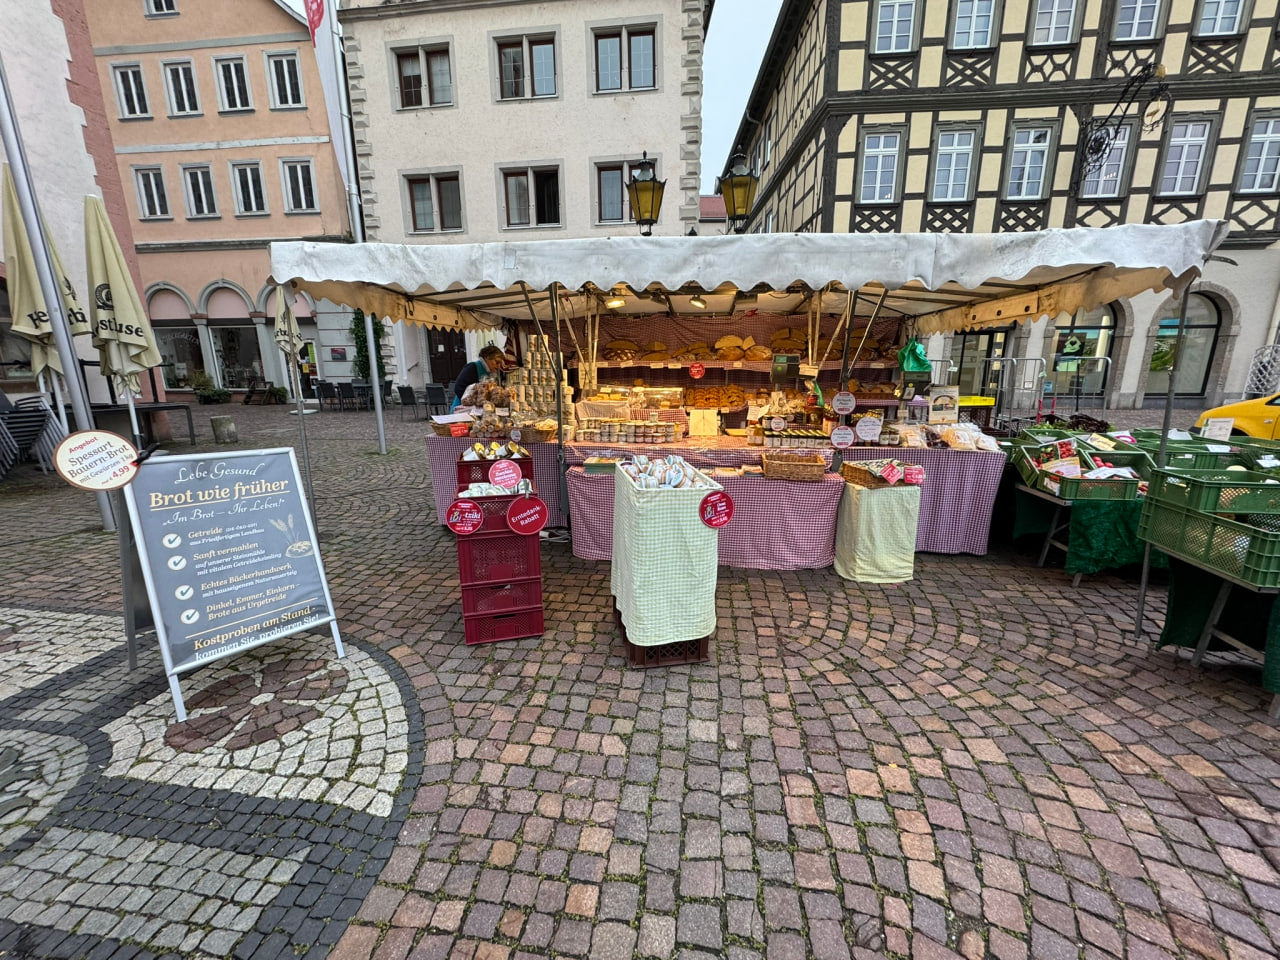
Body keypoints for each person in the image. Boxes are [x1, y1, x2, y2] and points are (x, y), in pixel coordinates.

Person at [450, 344, 506, 410]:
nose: (498, 366)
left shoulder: (492, 373)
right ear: (487, 357)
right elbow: (459, 388)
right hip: (462, 410)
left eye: (500, 363)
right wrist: (472, 402)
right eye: (496, 362)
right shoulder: (472, 367)